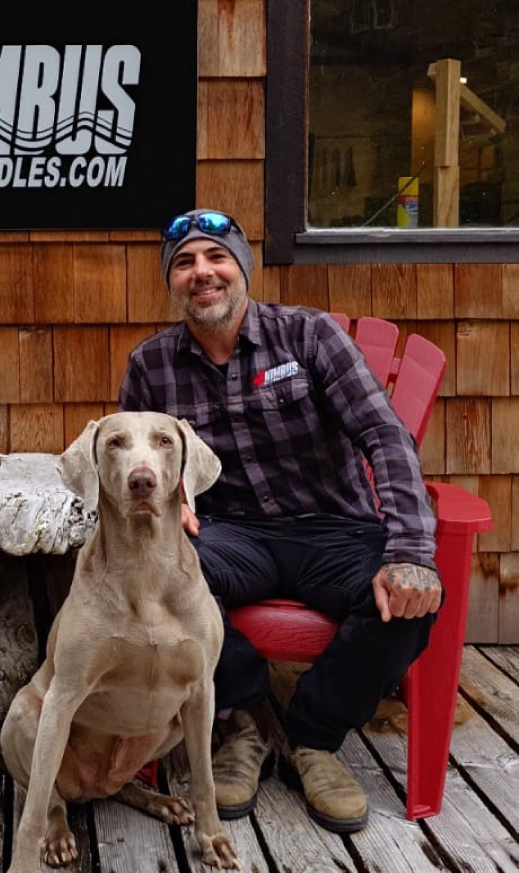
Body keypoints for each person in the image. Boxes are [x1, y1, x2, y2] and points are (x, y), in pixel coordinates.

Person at [118, 208, 441, 833]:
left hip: (335, 528)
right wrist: (171, 502)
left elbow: (384, 434)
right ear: (171, 281)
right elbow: (141, 461)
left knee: (412, 597)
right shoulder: (151, 366)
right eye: (184, 263)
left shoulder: (310, 337)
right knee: (153, 575)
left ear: (243, 267)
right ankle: (243, 717)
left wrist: (409, 549)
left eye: (216, 257)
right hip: (231, 534)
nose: (201, 273)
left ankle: (313, 736)